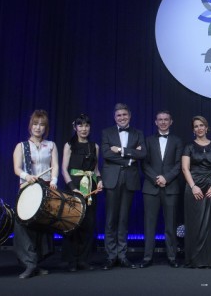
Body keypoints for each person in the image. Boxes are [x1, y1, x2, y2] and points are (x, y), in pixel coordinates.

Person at [13, 110, 60, 278]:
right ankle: (29, 263)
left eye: (41, 125)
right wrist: (27, 176)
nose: (38, 128)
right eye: (35, 124)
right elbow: (17, 168)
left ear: (45, 127)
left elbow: (55, 165)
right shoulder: (22, 146)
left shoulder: (51, 145)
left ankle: (35, 263)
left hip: (46, 189)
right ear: (30, 126)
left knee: (42, 227)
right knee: (24, 226)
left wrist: (54, 180)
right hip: (27, 188)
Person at [101, 103, 145, 269]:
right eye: (119, 115)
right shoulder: (107, 132)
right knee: (111, 218)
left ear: (130, 116)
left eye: (124, 115)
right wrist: (129, 157)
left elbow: (143, 153)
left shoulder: (138, 133)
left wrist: (119, 150)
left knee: (124, 218)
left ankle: (122, 255)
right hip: (112, 179)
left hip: (130, 179)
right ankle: (111, 256)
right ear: (114, 117)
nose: (122, 118)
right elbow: (106, 154)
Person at [140, 110, 183, 268]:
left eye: (166, 119)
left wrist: (166, 178)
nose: (163, 122)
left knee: (171, 225)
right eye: (160, 119)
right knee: (149, 224)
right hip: (151, 187)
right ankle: (147, 257)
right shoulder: (148, 140)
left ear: (171, 122)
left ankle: (172, 257)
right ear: (155, 122)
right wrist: (156, 178)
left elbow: (179, 164)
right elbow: (144, 164)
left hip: (171, 187)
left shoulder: (177, 141)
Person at [62, 114, 103, 272]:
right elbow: (64, 169)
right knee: (73, 223)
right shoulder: (69, 145)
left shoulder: (95, 146)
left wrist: (99, 180)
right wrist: (73, 187)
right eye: (80, 126)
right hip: (74, 186)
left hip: (90, 187)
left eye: (86, 125)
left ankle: (84, 260)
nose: (83, 129)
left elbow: (96, 169)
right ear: (75, 127)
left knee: (89, 223)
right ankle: (72, 260)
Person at [181, 116, 211, 268]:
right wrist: (193, 186)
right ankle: (195, 260)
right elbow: (185, 168)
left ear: (207, 128)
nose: (199, 128)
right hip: (194, 187)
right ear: (193, 130)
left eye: (202, 125)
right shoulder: (189, 146)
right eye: (196, 126)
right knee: (195, 223)